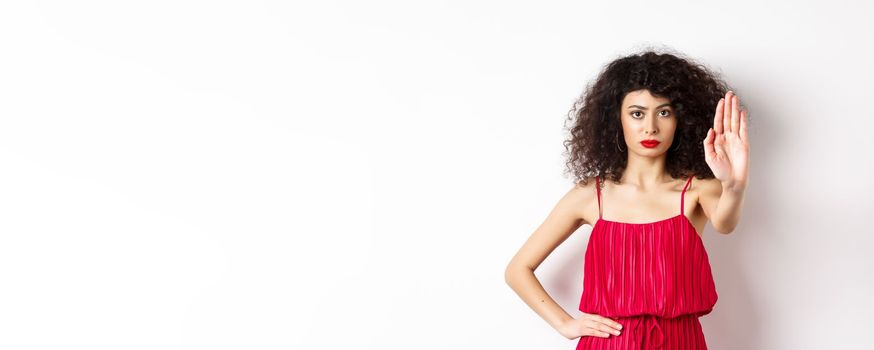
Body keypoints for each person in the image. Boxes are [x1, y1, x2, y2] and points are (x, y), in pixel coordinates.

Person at [504, 49, 750, 349]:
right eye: (637, 113)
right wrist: (566, 324)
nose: (650, 127)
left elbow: (725, 224)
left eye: (664, 112)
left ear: (681, 119)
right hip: (609, 344)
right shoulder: (589, 195)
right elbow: (518, 270)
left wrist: (734, 185)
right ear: (616, 119)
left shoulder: (697, 189)